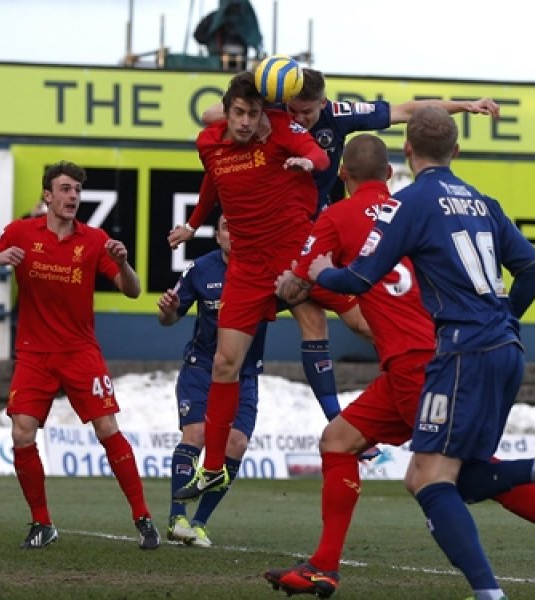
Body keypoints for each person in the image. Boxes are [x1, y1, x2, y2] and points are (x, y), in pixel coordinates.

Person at [267, 133, 535, 598]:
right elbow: (531, 268)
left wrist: (301, 281)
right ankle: (324, 566)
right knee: (338, 440)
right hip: (424, 359)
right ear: (390, 173)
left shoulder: (345, 216)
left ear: (344, 175)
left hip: (427, 362)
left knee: (448, 475)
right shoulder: (415, 208)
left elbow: (298, 286)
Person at [200, 67, 500, 426]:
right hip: (281, 236)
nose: (298, 119)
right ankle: (328, 417)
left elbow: (408, 111)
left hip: (319, 230)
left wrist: (466, 105)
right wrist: (259, 95)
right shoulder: (272, 118)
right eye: (290, 110)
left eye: (306, 113)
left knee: (353, 321)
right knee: (300, 320)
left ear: (323, 105)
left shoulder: (338, 116)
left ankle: (426, 367)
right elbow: (211, 114)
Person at [0, 160, 161, 550]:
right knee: (21, 432)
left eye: (77, 190)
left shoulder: (93, 239)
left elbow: (133, 290)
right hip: (34, 354)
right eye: (66, 189)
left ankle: (143, 518)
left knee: (107, 429)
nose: (73, 196)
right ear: (47, 195)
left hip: (79, 352)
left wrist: (123, 262)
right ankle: (42, 524)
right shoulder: (21, 231)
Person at [166, 70, 337, 501]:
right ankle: (214, 468)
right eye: (238, 113)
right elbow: (213, 183)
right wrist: (191, 225)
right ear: (225, 113)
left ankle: (412, 373)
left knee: (357, 318)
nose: (245, 122)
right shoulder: (209, 144)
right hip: (246, 266)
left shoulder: (280, 129)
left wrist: (308, 162)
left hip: (295, 253)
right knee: (226, 363)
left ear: (264, 113)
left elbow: (318, 155)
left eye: (252, 113)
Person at [158, 213, 268, 548]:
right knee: (197, 434)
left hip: (244, 374)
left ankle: (200, 522)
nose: (232, 233)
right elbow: (168, 319)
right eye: (225, 227)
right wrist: (168, 309)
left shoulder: (265, 270)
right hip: (201, 370)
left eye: (239, 226)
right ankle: (177, 517)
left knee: (236, 444)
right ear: (217, 234)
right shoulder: (201, 269)